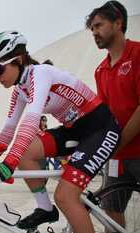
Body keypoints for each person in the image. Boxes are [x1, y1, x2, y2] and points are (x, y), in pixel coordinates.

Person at [0, 30, 121, 233]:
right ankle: (45, 208)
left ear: (18, 60)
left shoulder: (41, 73)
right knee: (27, 152)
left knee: (65, 196)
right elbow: (9, 128)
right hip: (74, 129)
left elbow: (31, 120)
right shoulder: (20, 88)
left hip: (100, 127)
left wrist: (8, 163)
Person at [86, 1, 140, 232]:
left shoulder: (138, 54)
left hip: (133, 149)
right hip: (118, 155)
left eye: (99, 25)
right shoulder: (100, 70)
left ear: (118, 23)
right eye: (92, 29)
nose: (95, 32)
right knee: (111, 212)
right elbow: (105, 115)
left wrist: (117, 142)